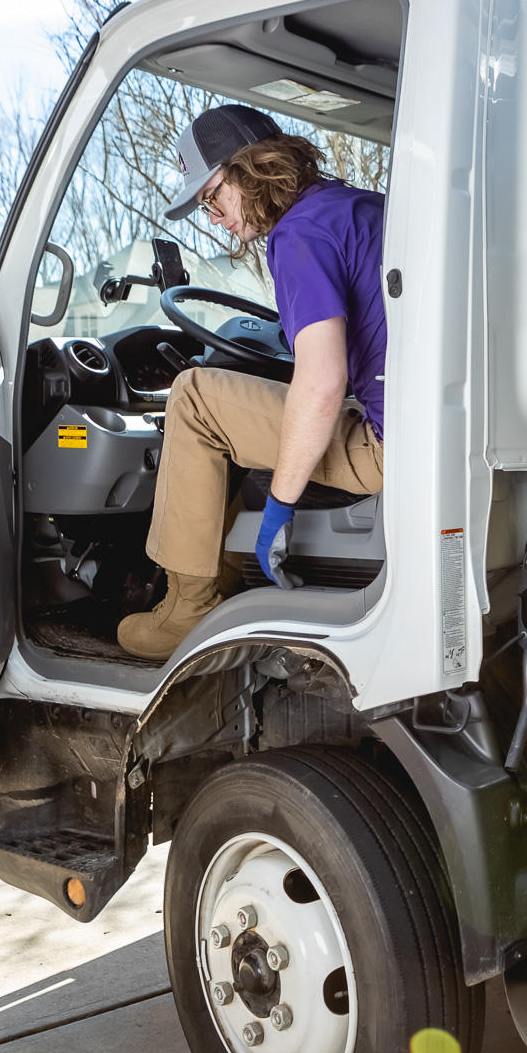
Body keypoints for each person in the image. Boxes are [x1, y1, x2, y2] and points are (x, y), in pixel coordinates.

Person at [117, 104, 387, 661]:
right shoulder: (356, 207)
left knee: (194, 397)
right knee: (228, 402)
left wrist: (279, 508)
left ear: (250, 168)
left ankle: (185, 610)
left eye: (212, 196)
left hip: (388, 446)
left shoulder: (297, 237)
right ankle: (224, 580)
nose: (213, 217)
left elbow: (322, 379)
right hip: (431, 428)